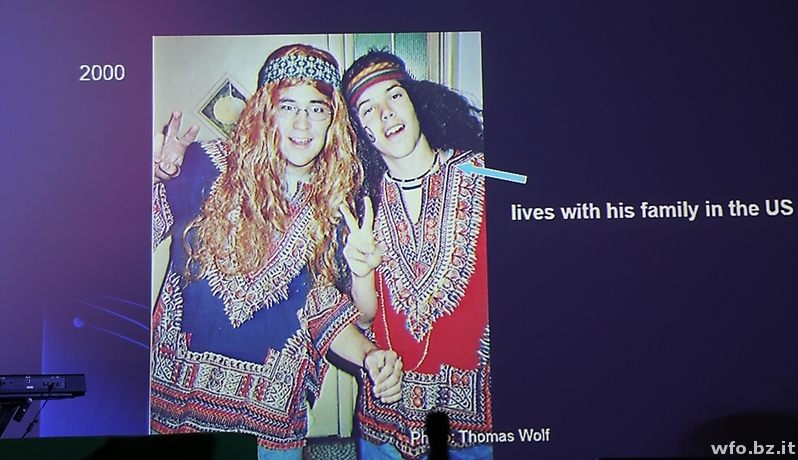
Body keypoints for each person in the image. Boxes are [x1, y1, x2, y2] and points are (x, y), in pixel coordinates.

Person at [150, 44, 401, 460]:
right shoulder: (199, 165)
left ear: (333, 120)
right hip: (174, 409)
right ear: (266, 111)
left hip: (269, 428)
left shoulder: (338, 210)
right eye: (288, 106)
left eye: (317, 109)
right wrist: (151, 178)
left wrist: (369, 354)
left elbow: (324, 313)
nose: (302, 123)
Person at [340, 51, 491, 459]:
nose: (385, 113)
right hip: (387, 416)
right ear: (360, 132)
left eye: (394, 96)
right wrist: (361, 271)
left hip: (479, 424)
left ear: (415, 101)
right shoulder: (360, 206)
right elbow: (364, 319)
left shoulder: (485, 172)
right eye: (367, 109)